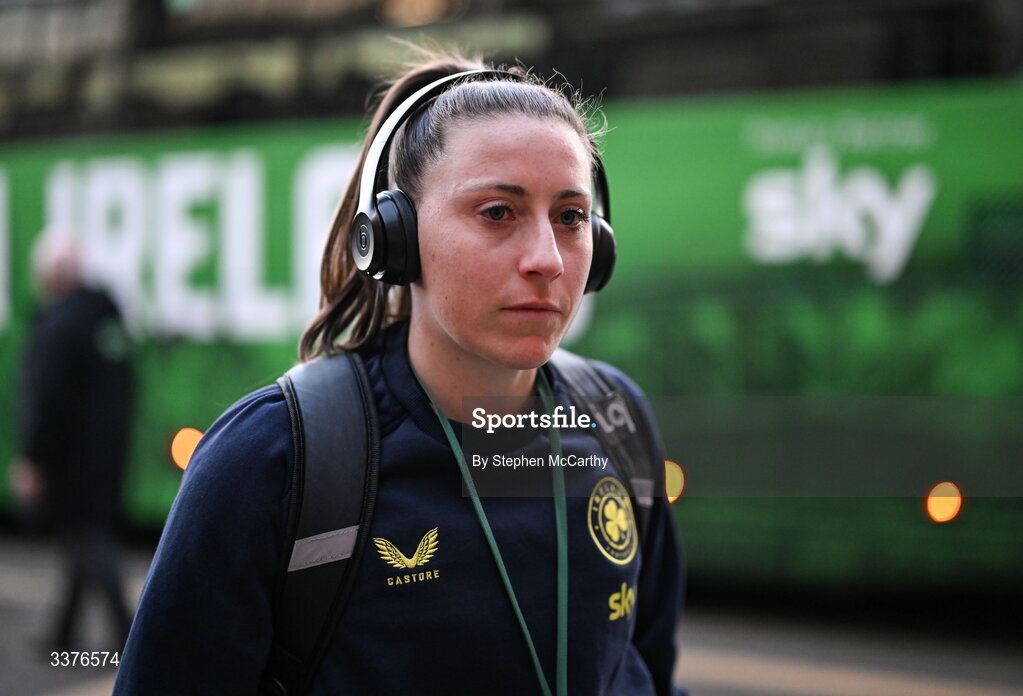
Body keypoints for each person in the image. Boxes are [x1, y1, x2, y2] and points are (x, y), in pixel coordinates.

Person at [114, 52, 684, 695]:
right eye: (498, 212)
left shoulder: (614, 420)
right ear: (394, 236)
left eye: (571, 217)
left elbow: (649, 672)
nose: (547, 260)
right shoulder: (270, 459)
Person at [13, 229, 134, 651]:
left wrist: (33, 458)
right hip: (107, 453)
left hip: (72, 460)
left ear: (50, 275)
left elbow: (45, 399)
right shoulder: (105, 316)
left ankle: (131, 634)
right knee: (81, 541)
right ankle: (63, 637)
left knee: (90, 541)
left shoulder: (60, 326)